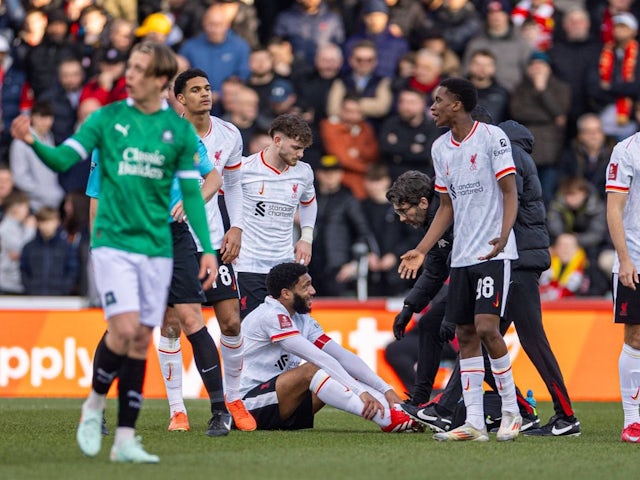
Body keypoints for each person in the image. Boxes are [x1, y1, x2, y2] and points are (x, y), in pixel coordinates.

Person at [11, 41, 218, 463]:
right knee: (123, 330)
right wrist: (32, 140)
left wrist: (208, 249)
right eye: (130, 66)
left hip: (160, 244)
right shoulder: (107, 119)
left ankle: (126, 439)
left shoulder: (178, 131)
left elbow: (195, 193)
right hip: (115, 243)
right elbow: (62, 158)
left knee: (142, 338)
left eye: (140, 69)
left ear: (160, 80)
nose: (131, 75)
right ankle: (93, 405)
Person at [398, 77, 521, 442]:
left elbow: (510, 190)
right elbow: (446, 206)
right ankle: (474, 424)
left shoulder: (491, 138)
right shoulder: (440, 148)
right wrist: (422, 248)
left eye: (438, 101)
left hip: (493, 251)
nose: (431, 107)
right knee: (465, 334)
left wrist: (504, 233)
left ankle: (512, 412)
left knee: (486, 328)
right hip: (462, 256)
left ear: (457, 105)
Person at [158, 68, 256, 433]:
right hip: (173, 240)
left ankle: (232, 400)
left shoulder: (229, 134)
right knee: (172, 324)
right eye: (195, 90)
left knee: (230, 320)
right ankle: (176, 409)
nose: (205, 94)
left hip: (213, 241)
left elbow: (232, 182)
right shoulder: (166, 133)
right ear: (179, 98)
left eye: (208, 88)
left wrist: (237, 226)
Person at [239, 261, 417, 432]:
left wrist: (386, 389)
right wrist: (360, 392)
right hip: (249, 406)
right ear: (285, 293)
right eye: (306, 286)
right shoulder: (271, 315)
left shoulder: (303, 319)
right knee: (314, 369)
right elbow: (319, 359)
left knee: (341, 371)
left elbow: (341, 356)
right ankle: (387, 419)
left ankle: (400, 412)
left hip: (281, 403)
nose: (313, 291)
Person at [235, 114, 317, 319]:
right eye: (296, 148)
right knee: (253, 327)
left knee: (293, 327)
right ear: (277, 140)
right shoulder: (245, 169)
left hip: (285, 264)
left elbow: (309, 203)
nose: (301, 155)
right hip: (249, 264)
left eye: (303, 149)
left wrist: (306, 238)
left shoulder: (304, 172)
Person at [605, 129, 640, 443]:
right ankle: (633, 420)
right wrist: (625, 259)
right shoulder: (627, 150)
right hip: (636, 259)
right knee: (636, 336)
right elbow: (614, 208)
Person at [20, 206, 79, 295]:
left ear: (57, 222)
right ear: (38, 223)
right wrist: (30, 289)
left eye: (50, 221)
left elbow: (72, 271)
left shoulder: (67, 247)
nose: (47, 225)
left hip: (59, 298)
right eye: (43, 221)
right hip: (34, 297)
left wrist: (64, 290)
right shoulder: (28, 247)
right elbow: (24, 271)